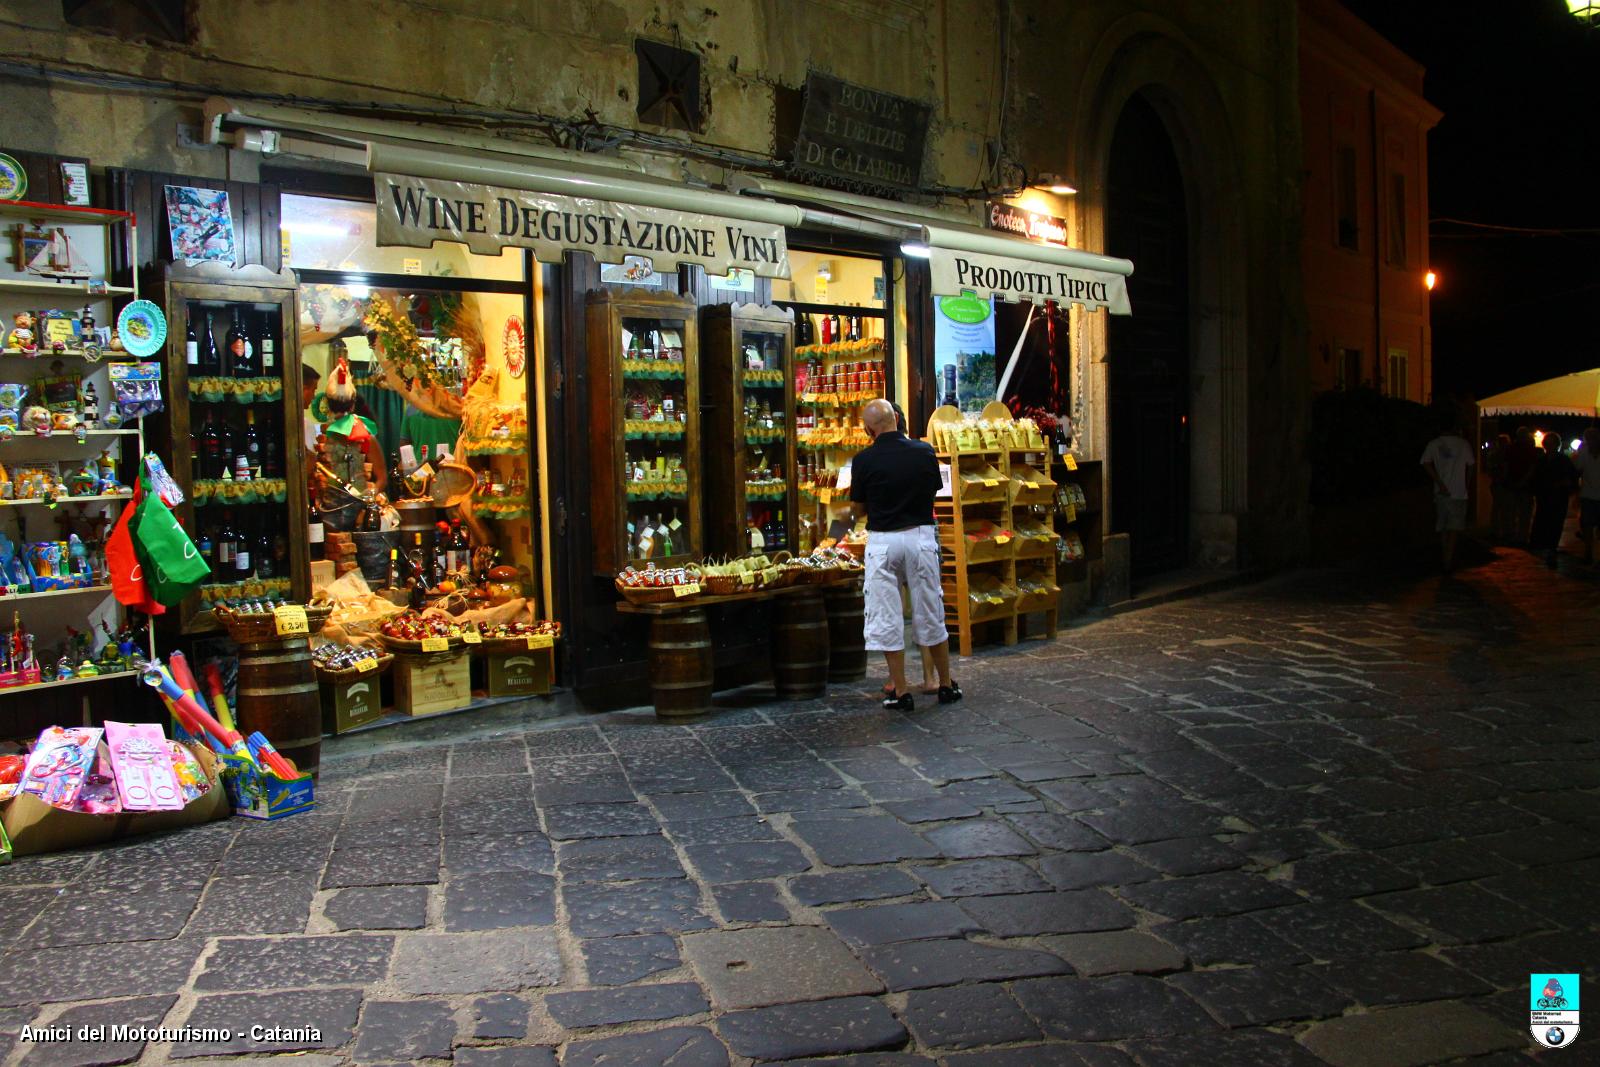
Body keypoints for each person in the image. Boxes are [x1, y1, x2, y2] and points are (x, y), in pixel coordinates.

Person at [849, 398, 960, 709]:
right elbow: (933, 490)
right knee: (930, 608)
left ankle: (900, 690)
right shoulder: (924, 452)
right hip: (920, 536)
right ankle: (945, 684)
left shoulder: (864, 460)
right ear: (896, 420)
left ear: (869, 429)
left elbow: (857, 507)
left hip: (883, 541)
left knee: (887, 614)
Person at [1420, 417, 1475, 573]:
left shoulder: (1434, 444)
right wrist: (1467, 483)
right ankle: (1448, 561)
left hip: (1441, 493)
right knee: (1454, 528)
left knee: (1444, 527)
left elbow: (1425, 462)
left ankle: (1446, 557)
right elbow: (1471, 465)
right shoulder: (1463, 444)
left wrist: (1438, 481)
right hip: (1458, 492)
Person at [1529, 433, 1577, 567]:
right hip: (1544, 497)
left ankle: (1551, 546)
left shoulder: (1563, 461)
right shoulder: (1541, 460)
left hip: (1558, 498)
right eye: (1547, 444)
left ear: (1557, 445)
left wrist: (1562, 484)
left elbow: (1571, 479)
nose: (1549, 446)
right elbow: (1535, 477)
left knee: (1555, 522)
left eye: (1552, 444)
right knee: (1542, 520)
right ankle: (1541, 545)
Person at [1503, 427, 1539, 545]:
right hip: (1525, 486)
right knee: (1524, 513)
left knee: (1511, 512)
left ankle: (1511, 534)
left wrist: (1507, 480)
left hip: (1512, 484)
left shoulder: (1510, 449)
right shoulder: (1531, 450)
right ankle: (1522, 536)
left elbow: (1506, 466)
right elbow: (1532, 469)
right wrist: (1524, 481)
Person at [1575, 428, 1600, 565]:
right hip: (1588, 495)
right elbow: (1578, 467)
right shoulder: (1584, 452)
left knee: (1591, 526)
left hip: (1591, 495)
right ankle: (1588, 552)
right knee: (1588, 526)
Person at [1485, 433, 1513, 542]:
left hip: (1497, 483)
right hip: (1504, 484)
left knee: (1497, 508)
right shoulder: (1508, 455)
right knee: (1506, 508)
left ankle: (1496, 530)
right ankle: (1506, 530)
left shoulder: (1493, 454)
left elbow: (1489, 469)